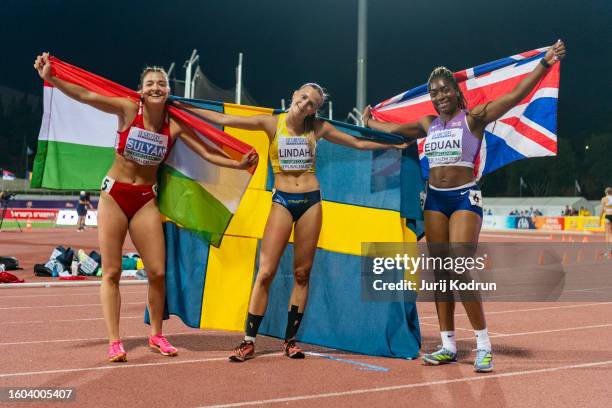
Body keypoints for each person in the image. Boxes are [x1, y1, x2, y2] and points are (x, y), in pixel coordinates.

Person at [34, 53, 257, 363]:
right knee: (110, 272)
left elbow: (206, 151)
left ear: (168, 90)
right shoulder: (128, 110)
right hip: (115, 197)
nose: (156, 87)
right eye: (150, 83)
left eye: (161, 83)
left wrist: (237, 162)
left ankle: (156, 334)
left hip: (144, 200)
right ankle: (115, 341)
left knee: (157, 272)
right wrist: (53, 78)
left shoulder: (174, 125)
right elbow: (86, 96)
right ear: (140, 90)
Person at [363, 40, 566, 372]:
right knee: (442, 275)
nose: (439, 95)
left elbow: (515, 96)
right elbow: (398, 131)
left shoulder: (474, 118)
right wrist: (370, 122)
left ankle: (484, 344)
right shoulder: (428, 124)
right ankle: (447, 345)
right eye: (434, 92)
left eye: (444, 90)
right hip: (434, 200)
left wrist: (543, 64)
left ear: (456, 92)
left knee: (459, 266)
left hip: (463, 198)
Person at [179, 83, 410, 362]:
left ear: (315, 109)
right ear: (293, 96)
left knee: (302, 274)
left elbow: (358, 142)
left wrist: (397, 144)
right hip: (283, 201)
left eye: (312, 103)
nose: (305, 104)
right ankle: (248, 341)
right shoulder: (271, 123)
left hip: (311, 202)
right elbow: (225, 119)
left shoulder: (318, 128)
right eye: (303, 98)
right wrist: (182, 109)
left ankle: (291, 341)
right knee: (265, 272)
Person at [600, 187, 612, 257]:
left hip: (608, 216)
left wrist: (599, 219)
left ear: (606, 193)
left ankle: (608, 252)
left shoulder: (604, 199)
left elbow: (602, 210)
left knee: (607, 234)